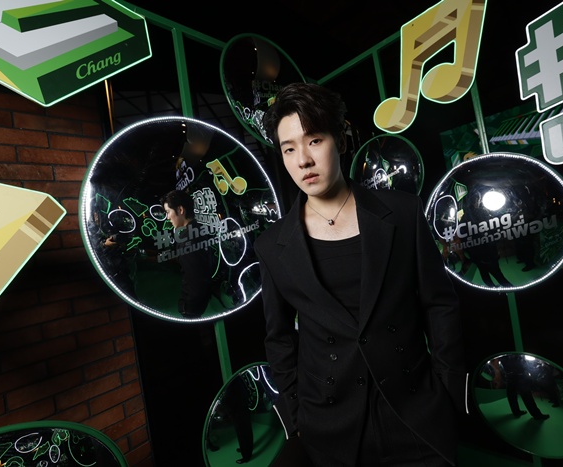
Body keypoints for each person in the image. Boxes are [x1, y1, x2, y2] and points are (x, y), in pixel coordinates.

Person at [254, 82, 468, 467]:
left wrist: (450, 392)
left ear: (340, 139)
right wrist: (296, 416)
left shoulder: (402, 213)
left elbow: (440, 305)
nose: (303, 160)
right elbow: (279, 338)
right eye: (289, 149)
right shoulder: (272, 246)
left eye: (314, 140)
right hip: (329, 426)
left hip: (416, 413)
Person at [161, 189, 215, 318]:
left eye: (168, 212)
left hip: (192, 308)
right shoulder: (199, 229)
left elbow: (195, 281)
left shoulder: (187, 239)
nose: (167, 217)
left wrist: (187, 308)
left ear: (180, 210)